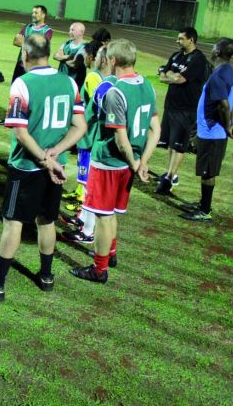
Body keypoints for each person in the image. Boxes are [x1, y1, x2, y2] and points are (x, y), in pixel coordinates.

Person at [0, 34, 85, 299]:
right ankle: (46, 275)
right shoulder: (68, 82)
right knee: (46, 221)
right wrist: (56, 154)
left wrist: (45, 159)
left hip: (26, 166)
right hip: (57, 167)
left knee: (13, 222)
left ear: (25, 55)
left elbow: (20, 133)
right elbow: (80, 126)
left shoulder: (23, 83)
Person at [70, 39, 160, 283]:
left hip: (109, 162)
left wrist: (135, 163)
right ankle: (110, 254)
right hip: (128, 164)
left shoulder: (114, 91)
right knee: (111, 213)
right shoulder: (148, 86)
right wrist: (141, 161)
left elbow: (120, 141)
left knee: (103, 216)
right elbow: (156, 130)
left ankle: (99, 269)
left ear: (112, 60)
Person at [180, 38, 233, 222]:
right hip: (213, 132)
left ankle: (205, 211)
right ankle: (202, 203)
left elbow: (224, 105)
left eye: (214, 46)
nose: (212, 49)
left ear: (217, 52)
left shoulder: (218, 76)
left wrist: (228, 126)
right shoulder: (229, 71)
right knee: (207, 170)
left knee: (208, 172)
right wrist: (232, 123)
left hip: (212, 133)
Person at [60, 42, 113, 244]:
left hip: (90, 139)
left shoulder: (96, 79)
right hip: (91, 139)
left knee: (90, 185)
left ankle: (88, 231)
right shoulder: (107, 81)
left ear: (105, 60)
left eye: (98, 55)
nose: (94, 58)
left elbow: (97, 109)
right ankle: (83, 218)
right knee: (88, 184)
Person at [155, 27, 207, 194]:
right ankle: (171, 173)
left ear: (191, 40)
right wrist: (171, 75)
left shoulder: (198, 59)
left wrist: (171, 74)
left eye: (181, 39)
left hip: (186, 109)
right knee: (171, 143)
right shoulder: (176, 55)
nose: (177, 41)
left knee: (179, 146)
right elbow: (162, 76)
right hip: (171, 106)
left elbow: (179, 79)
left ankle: (169, 179)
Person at [11, 5, 53, 82]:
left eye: (36, 13)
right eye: (33, 13)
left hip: (35, 66)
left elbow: (41, 47)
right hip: (21, 63)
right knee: (16, 85)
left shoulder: (47, 31)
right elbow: (16, 41)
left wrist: (24, 42)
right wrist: (34, 44)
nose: (33, 15)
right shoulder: (27, 26)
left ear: (43, 15)